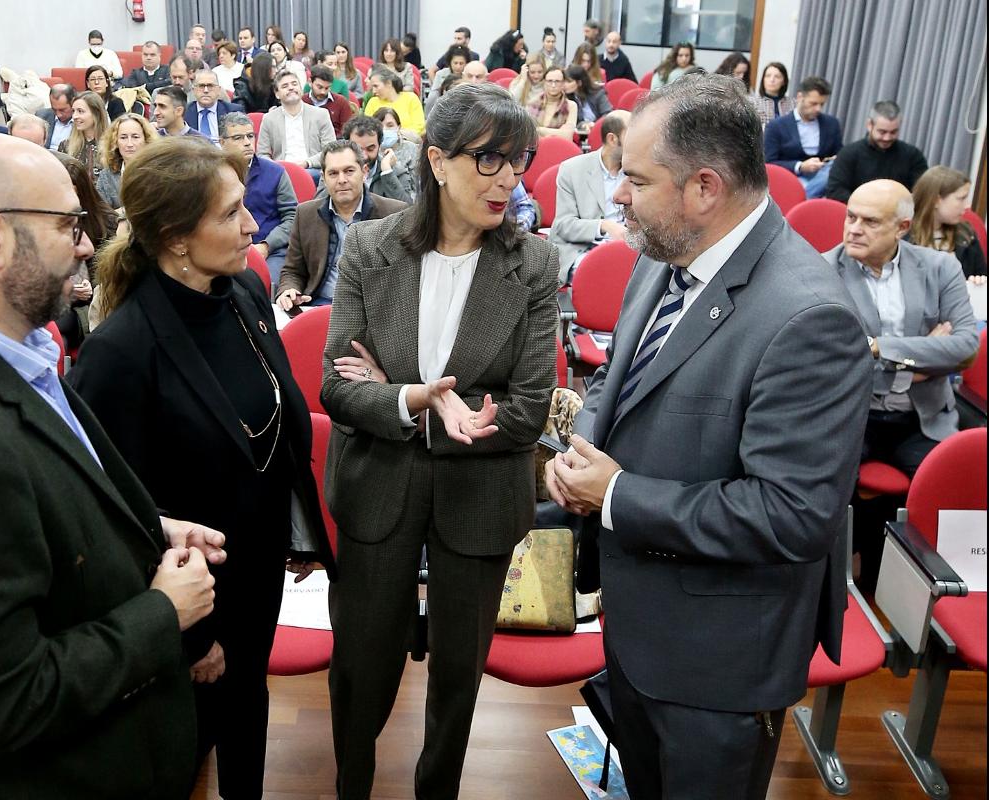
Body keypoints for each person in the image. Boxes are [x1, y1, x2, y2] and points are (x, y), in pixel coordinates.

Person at [0, 128, 221, 798]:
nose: (85, 244)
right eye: (67, 224)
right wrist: (163, 612)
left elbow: (33, 508)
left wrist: (140, 528)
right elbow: (1, 701)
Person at [543, 73, 871, 800]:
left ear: (704, 187)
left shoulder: (810, 320)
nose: (617, 196)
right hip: (639, 628)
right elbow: (621, 385)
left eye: (635, 179)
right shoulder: (664, 255)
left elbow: (791, 515)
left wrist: (618, 495)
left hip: (716, 662)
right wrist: (581, 460)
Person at [68, 135, 333, 799]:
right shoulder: (120, 353)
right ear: (176, 238)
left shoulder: (242, 290)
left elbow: (274, 422)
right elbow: (117, 515)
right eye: (231, 214)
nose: (253, 225)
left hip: (259, 563)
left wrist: (297, 528)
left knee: (247, 709)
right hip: (193, 597)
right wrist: (188, 637)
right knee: (185, 746)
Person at [322, 83, 557, 799]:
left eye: (518, 161)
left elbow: (528, 408)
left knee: (458, 675)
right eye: (488, 160)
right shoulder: (368, 246)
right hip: (376, 486)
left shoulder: (535, 264)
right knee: (362, 666)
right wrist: (416, 400)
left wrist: (397, 395)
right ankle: (352, 785)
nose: (508, 179)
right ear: (437, 160)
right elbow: (337, 389)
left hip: (480, 490)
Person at [829, 179, 979, 474]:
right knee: (818, 492)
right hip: (847, 419)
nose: (854, 228)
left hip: (923, 420)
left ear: (902, 227)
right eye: (851, 216)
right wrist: (922, 365)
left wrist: (876, 347)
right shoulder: (822, 272)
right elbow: (829, 361)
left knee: (954, 487)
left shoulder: (941, 269)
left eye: (870, 221)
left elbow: (965, 349)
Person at [276, 140, 408, 312]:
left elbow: (404, 276)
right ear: (323, 178)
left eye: (349, 171)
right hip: (319, 305)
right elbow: (293, 271)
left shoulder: (393, 214)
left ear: (364, 172)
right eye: (333, 173)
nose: (342, 180)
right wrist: (289, 290)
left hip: (373, 311)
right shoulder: (306, 214)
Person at [548, 110, 630, 280]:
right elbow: (563, 225)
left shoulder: (637, 170)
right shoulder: (572, 170)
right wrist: (604, 226)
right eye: (631, 135)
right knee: (600, 273)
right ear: (612, 139)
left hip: (628, 247)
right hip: (583, 249)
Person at [220, 112, 298, 281]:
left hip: (271, 251)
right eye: (238, 138)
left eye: (250, 136)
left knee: (266, 283)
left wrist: (267, 245)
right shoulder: (212, 176)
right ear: (222, 142)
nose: (247, 143)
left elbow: (292, 217)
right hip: (224, 249)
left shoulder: (275, 173)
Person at [52, 151, 117, 353]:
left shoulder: (106, 222)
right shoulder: (42, 219)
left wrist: (89, 289)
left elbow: (110, 277)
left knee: (59, 328)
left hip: (86, 307)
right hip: (51, 300)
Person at [826, 101, 929, 202]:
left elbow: (923, 193)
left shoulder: (913, 156)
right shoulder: (848, 154)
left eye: (893, 132)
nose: (887, 138)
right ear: (869, 125)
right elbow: (835, 191)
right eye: (882, 132)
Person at [764, 75, 842, 199]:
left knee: (835, 168)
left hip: (823, 174)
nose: (818, 109)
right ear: (800, 97)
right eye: (813, 103)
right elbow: (769, 163)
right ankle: (805, 198)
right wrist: (800, 166)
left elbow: (840, 154)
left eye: (822, 104)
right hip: (792, 176)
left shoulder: (831, 124)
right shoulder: (776, 126)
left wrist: (834, 159)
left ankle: (802, 199)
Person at [910, 166, 987, 280]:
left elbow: (982, 275)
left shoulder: (966, 234)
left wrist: (979, 282)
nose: (967, 206)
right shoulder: (902, 235)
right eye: (961, 198)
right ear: (936, 201)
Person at [257, 71, 335, 172]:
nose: (291, 88)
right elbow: (262, 154)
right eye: (285, 86)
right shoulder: (269, 119)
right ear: (277, 94)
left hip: (313, 169)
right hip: (282, 171)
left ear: (301, 89)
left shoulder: (321, 114)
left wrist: (307, 163)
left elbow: (330, 150)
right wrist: (277, 166)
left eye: (294, 84)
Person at [342, 113, 418, 204]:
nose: (364, 156)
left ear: (379, 146)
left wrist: (387, 172)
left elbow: (407, 209)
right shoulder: (334, 170)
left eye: (370, 149)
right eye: (358, 149)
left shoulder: (396, 171)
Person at [96, 113, 157, 209]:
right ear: (115, 142)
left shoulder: (158, 173)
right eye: (123, 137)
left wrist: (123, 213)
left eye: (135, 137)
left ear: (146, 140)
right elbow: (102, 215)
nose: (129, 144)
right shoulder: (106, 176)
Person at [58, 90, 108, 179]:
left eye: (80, 111)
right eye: (73, 111)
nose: (74, 116)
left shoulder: (112, 146)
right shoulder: (65, 146)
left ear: (96, 114)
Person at [186, 68, 243, 143]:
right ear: (194, 90)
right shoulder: (184, 113)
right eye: (201, 86)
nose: (206, 90)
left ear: (218, 90)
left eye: (210, 86)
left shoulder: (233, 111)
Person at [363, 67, 425, 135]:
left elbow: (419, 127)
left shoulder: (411, 98)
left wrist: (398, 135)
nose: (374, 91)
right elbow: (367, 128)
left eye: (376, 86)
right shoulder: (372, 102)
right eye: (372, 87)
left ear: (389, 83)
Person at [527, 65, 578, 141]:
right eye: (550, 81)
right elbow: (527, 133)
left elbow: (567, 136)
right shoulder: (532, 103)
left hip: (560, 148)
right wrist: (559, 132)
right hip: (535, 149)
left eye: (557, 81)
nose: (553, 85)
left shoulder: (571, 106)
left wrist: (538, 130)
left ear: (563, 83)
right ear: (544, 82)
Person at [304, 65, 352, 136]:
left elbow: (347, 132)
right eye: (319, 87)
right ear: (310, 82)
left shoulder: (341, 102)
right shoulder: (302, 101)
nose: (323, 92)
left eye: (327, 88)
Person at [425, 44, 471, 112]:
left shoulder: (469, 75)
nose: (458, 66)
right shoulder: (440, 74)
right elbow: (434, 94)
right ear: (450, 63)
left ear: (466, 63)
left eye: (461, 63)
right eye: (455, 63)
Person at [749, 62, 793, 127]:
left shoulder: (792, 104)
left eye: (777, 77)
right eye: (768, 76)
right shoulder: (752, 102)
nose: (772, 80)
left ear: (784, 81)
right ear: (763, 79)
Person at [37, 84, 76, 150]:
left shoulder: (82, 120)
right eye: (54, 109)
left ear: (73, 102)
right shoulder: (41, 116)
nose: (58, 115)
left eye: (62, 110)